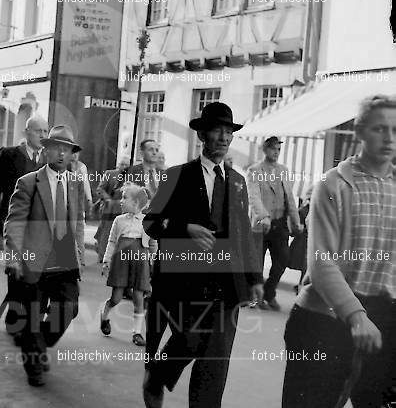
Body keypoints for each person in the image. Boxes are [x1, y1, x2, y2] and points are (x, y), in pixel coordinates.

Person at [141, 102, 263, 408]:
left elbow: (244, 233)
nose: (223, 137)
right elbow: (150, 223)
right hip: (185, 280)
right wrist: (185, 228)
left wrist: (254, 278)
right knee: (191, 341)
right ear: (203, 135)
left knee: (216, 360)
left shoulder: (237, 182)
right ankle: (157, 375)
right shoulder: (176, 176)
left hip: (227, 282)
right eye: (217, 131)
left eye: (228, 132)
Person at [281, 95, 395, 408]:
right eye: (379, 129)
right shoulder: (333, 185)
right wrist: (357, 316)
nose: (389, 138)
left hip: (385, 319)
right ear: (359, 132)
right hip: (325, 318)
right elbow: (321, 263)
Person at [3, 125, 87, 387]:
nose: (62, 154)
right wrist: (14, 257)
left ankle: (39, 345)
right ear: (46, 150)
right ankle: (34, 367)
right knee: (32, 315)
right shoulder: (28, 182)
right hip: (33, 261)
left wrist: (80, 253)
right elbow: (14, 223)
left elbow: (79, 221)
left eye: (68, 149)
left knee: (68, 309)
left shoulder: (74, 182)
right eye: (57, 148)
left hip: (65, 262)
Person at [0, 116, 48, 340]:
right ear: (27, 131)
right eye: (38, 131)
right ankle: (14, 317)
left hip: (39, 228)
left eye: (45, 131)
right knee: (15, 271)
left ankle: (32, 321)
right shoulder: (10, 154)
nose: (43, 135)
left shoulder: (49, 158)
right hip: (13, 223)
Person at [247, 136, 302, 310]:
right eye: (273, 149)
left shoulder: (283, 170)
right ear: (265, 150)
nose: (276, 152)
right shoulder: (254, 170)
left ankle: (269, 293)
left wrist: (296, 222)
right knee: (257, 263)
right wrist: (263, 216)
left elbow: (290, 199)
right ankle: (256, 298)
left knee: (282, 260)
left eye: (278, 149)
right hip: (261, 225)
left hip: (280, 224)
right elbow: (253, 196)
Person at [100, 182, 156, 346]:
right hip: (121, 262)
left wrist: (152, 264)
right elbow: (112, 242)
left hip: (140, 262)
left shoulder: (147, 222)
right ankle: (104, 316)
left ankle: (137, 333)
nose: (121, 201)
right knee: (116, 297)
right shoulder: (119, 220)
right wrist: (106, 261)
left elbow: (153, 244)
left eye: (125, 198)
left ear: (137, 203)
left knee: (139, 298)